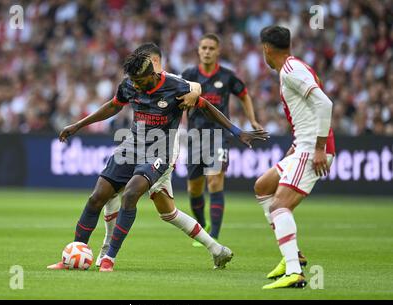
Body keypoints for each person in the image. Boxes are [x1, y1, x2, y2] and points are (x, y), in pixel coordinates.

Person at [48, 51, 268, 272]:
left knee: (132, 193)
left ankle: (109, 259)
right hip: (131, 146)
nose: (137, 86)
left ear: (152, 75)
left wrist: (237, 131)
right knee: (97, 198)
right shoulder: (129, 85)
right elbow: (114, 106)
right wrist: (77, 125)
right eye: (133, 82)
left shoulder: (175, 87)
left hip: (159, 151)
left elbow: (207, 107)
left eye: (140, 81)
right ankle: (74, 254)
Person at [95, 43, 204, 266]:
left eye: (152, 62)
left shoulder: (171, 81)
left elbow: (197, 87)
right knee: (115, 195)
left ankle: (108, 252)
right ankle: (106, 250)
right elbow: (116, 104)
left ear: (157, 62)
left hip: (164, 151)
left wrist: (193, 93)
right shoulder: (137, 83)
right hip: (140, 146)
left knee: (164, 210)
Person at [255, 26, 335, 289]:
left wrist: (320, 147)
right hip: (303, 145)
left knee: (279, 206)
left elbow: (325, 104)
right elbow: (308, 111)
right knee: (263, 186)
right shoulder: (291, 68)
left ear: (267, 48)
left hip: (312, 149)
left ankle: (294, 272)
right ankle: (294, 257)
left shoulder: (291, 71)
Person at [181, 33, 263, 244]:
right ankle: (203, 226)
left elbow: (244, 94)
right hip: (194, 136)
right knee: (194, 188)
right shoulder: (188, 75)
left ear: (218, 51)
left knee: (215, 181)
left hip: (219, 135)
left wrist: (252, 120)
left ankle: (213, 236)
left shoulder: (228, 76)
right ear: (198, 51)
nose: (207, 51)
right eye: (204, 48)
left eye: (211, 48)